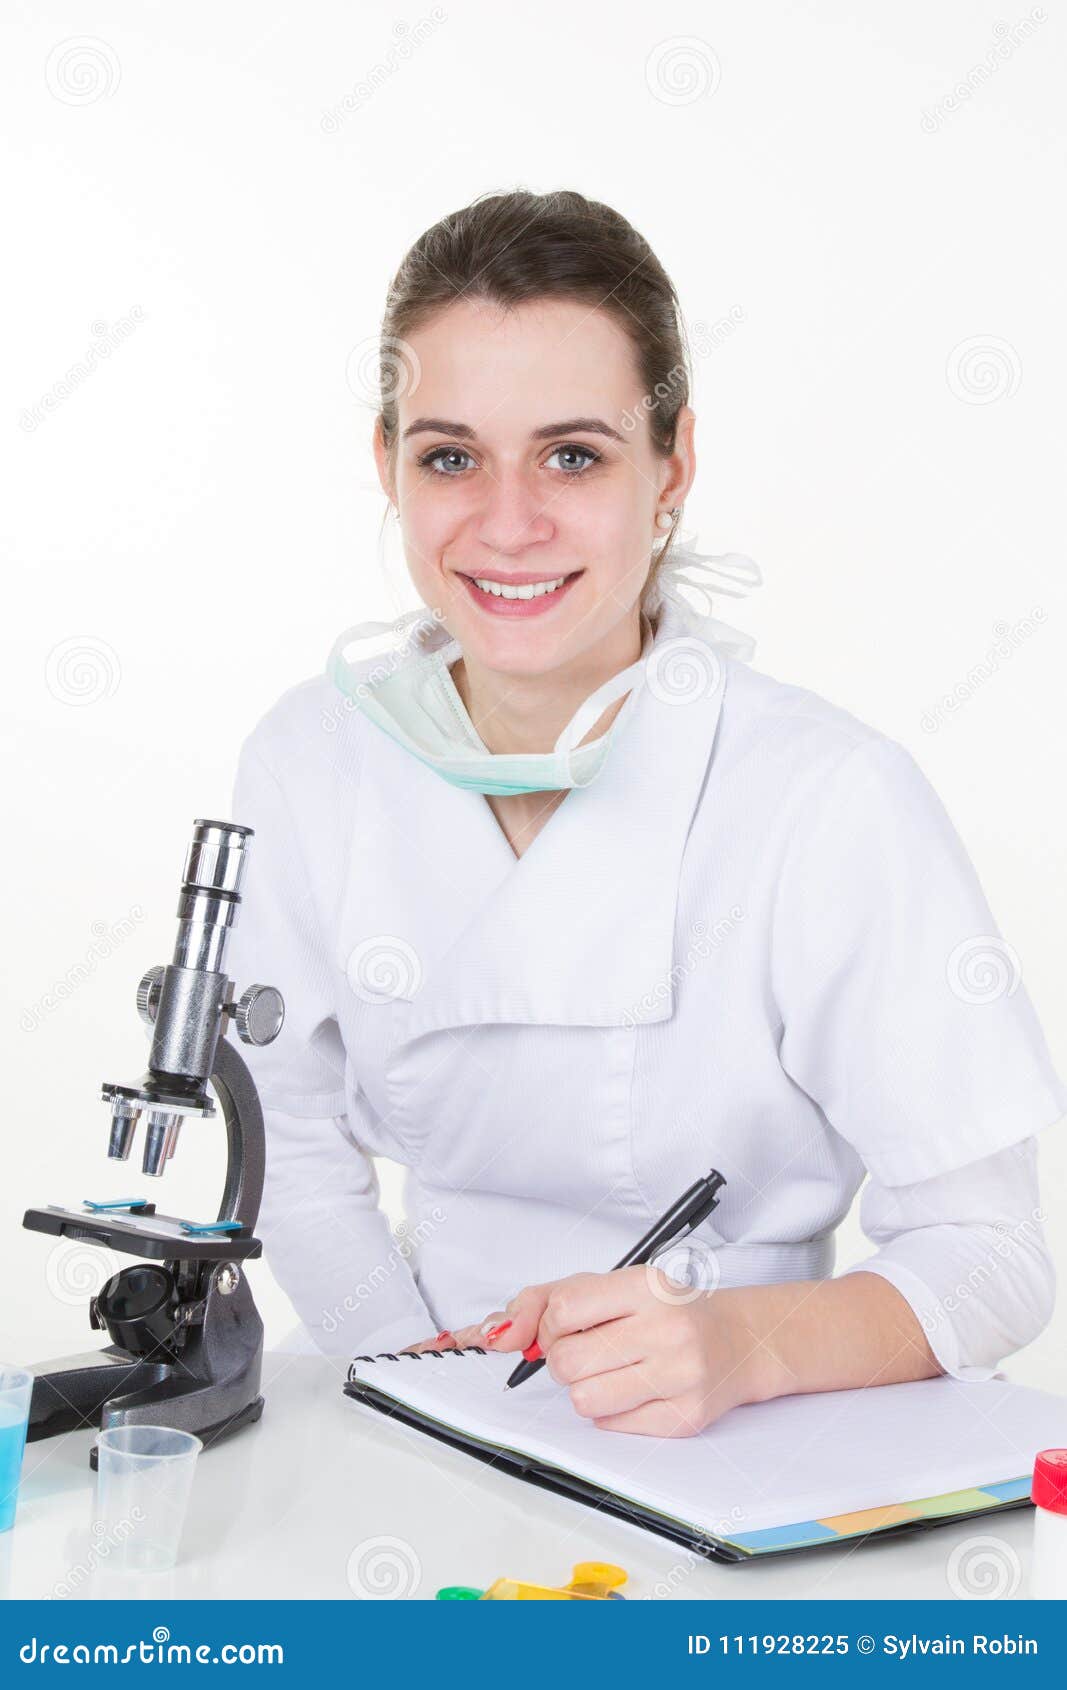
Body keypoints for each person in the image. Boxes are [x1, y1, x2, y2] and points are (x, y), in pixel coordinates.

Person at [225, 189, 1065, 1438]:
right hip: (391, 1408)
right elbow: (281, 1135)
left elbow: (992, 1252)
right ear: (386, 464)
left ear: (671, 464)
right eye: (449, 455)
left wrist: (738, 1348)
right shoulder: (311, 757)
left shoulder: (822, 796)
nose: (508, 522)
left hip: (747, 1435)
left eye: (573, 453)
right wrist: (409, 1374)